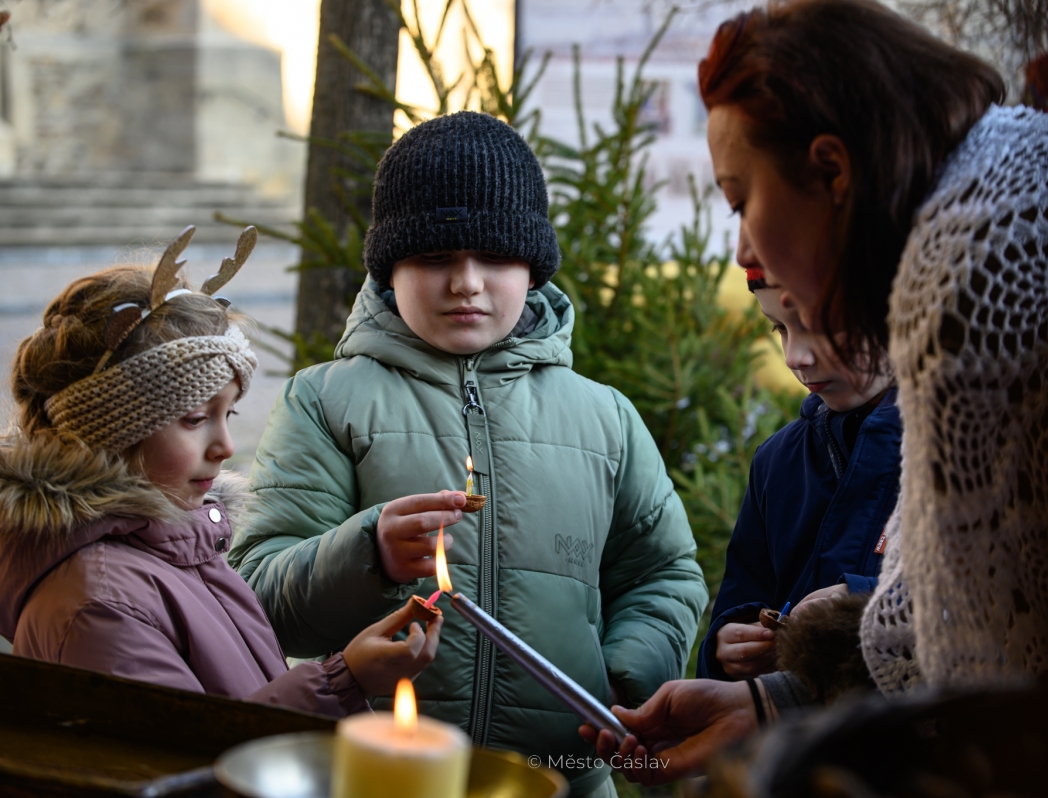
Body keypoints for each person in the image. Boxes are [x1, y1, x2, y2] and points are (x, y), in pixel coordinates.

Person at [583, 0, 1048, 783]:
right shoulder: (992, 200)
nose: (744, 246)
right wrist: (766, 702)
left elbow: (986, 666)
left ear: (832, 170)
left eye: (740, 200)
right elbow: (933, 626)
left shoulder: (979, 265)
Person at [228, 111, 708, 798]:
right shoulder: (325, 402)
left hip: (563, 780)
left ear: (533, 268)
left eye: (495, 257)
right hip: (377, 780)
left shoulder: (605, 418)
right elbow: (258, 594)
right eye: (435, 258)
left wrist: (621, 677)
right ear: (389, 266)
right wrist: (368, 552)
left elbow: (664, 573)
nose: (466, 282)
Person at [0, 247, 442, 717]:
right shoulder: (99, 603)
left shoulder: (179, 543)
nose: (226, 447)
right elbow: (176, 750)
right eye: (195, 418)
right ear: (106, 428)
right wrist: (344, 681)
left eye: (228, 414)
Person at [697, 266, 900, 682]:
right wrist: (728, 645)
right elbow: (745, 593)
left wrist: (863, 603)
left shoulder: (967, 449)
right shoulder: (776, 461)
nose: (794, 358)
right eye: (780, 329)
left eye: (817, 326)